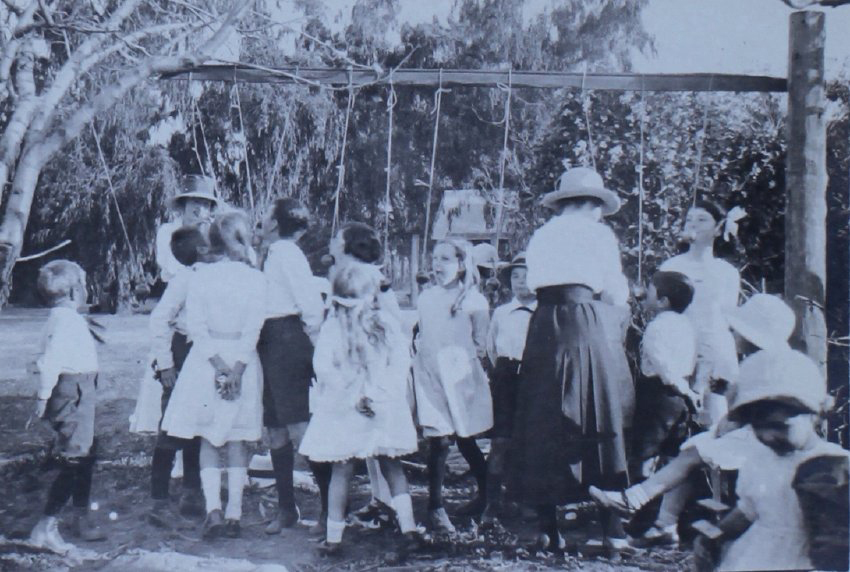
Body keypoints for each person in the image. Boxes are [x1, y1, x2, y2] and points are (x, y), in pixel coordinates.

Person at [590, 294, 797, 546]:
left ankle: (640, 504)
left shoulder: (762, 366)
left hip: (766, 441)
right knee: (693, 449)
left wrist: (728, 423)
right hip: (762, 435)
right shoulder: (766, 363)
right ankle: (662, 522)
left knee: (695, 452)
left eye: (738, 331)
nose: (733, 334)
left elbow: (751, 412)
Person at [508, 166, 631, 553]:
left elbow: (532, 284)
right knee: (597, 408)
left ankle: (548, 529)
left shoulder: (542, 234)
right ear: (594, 205)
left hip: (545, 323)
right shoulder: (599, 234)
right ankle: (614, 529)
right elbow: (616, 292)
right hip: (583, 321)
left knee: (543, 415)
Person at [299, 264, 421, 555]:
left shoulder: (355, 325)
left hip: (363, 405)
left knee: (352, 468)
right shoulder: (350, 326)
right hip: (362, 405)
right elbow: (326, 368)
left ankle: (340, 538)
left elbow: (326, 368)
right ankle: (403, 530)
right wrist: (366, 395)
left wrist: (366, 395)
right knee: (379, 465)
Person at [160, 211, 266, 540]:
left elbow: (197, 327)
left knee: (208, 437)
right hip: (242, 359)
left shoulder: (201, 277)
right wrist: (237, 369)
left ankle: (214, 510)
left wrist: (219, 366)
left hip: (206, 360)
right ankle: (234, 513)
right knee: (236, 438)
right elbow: (254, 328)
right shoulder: (255, 278)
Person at [691, 349, 844, 571]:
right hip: (758, 553)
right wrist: (715, 536)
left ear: (814, 415)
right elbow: (748, 510)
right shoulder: (760, 459)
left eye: (779, 426)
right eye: (757, 427)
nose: (767, 436)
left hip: (805, 560)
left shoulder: (832, 463)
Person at [327, 222, 403, 531]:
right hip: (354, 372)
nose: (332, 242)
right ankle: (380, 499)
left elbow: (391, 321)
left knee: (379, 443)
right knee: (371, 444)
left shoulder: (370, 278)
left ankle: (387, 504)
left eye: (337, 238)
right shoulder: (343, 275)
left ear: (349, 245)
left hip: (374, 373)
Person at [413, 239, 493, 533]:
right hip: (430, 373)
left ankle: (487, 496)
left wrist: (460, 367)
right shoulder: (426, 298)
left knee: (465, 438)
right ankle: (435, 507)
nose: (437, 265)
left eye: (445, 259)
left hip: (459, 376)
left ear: (461, 265)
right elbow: (423, 334)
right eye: (435, 258)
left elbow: (480, 343)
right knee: (439, 440)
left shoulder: (474, 301)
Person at [257, 198, 325, 534]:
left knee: (299, 426)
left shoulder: (286, 253)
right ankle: (287, 508)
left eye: (266, 214)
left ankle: (330, 510)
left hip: (288, 339)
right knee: (275, 429)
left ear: (275, 223)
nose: (261, 219)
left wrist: (315, 348)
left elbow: (310, 304)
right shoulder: (272, 253)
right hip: (268, 340)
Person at [29, 261, 106, 553]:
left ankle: (79, 515)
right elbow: (49, 361)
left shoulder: (63, 317)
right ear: (75, 291)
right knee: (76, 458)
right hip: (72, 392)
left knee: (85, 454)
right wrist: (43, 396)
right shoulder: (65, 321)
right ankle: (46, 525)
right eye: (84, 284)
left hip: (80, 389)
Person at [146, 227, 208, 527]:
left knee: (197, 424)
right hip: (182, 351)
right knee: (171, 425)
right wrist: (166, 364)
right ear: (201, 250)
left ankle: (192, 490)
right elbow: (159, 319)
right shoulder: (184, 279)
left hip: (205, 352)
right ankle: (159, 499)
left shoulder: (215, 277)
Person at [659, 201, 741, 428]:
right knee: (675, 421)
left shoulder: (727, 272)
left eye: (702, 219)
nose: (693, 224)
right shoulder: (671, 266)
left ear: (718, 229)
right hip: (679, 347)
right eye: (689, 219)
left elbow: (727, 316)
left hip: (715, 350)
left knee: (715, 419)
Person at [480, 253, 536, 525]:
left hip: (535, 379)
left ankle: (526, 500)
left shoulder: (544, 313)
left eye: (526, 276)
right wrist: (505, 373)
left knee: (531, 440)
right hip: (506, 377)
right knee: (501, 441)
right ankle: (492, 503)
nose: (521, 282)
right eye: (515, 276)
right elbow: (491, 349)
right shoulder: (502, 313)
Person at [631, 270, 698, 467]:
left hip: (657, 394)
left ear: (663, 302)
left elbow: (664, 367)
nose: (644, 295)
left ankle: (642, 483)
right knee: (672, 450)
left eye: (650, 291)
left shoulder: (656, 327)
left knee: (646, 450)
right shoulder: (687, 325)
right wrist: (687, 392)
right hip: (680, 395)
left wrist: (682, 389)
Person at [156, 174, 219, 283]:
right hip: (176, 286)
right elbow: (170, 267)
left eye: (206, 204)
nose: (200, 209)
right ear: (184, 204)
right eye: (196, 202)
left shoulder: (213, 235)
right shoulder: (167, 231)